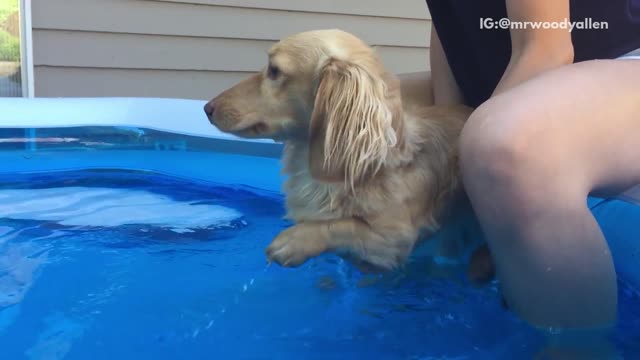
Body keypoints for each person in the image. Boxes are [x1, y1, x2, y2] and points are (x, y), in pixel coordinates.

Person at [399, 0, 640, 353]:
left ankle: (580, 349)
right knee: (346, 109)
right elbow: (449, 25)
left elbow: (547, 50)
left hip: (622, 66)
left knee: (506, 148)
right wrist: (446, 138)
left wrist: (454, 190)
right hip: (538, 83)